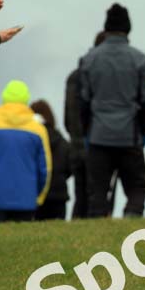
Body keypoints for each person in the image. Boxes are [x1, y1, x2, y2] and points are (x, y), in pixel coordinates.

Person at [80, 3, 145, 218]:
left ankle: (96, 231)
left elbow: (83, 100)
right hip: (129, 135)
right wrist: (144, 130)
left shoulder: (89, 60)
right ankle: (131, 218)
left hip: (98, 135)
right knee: (137, 187)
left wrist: (87, 130)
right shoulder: (140, 60)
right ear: (128, 28)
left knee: (97, 192)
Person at [65, 31, 106, 218]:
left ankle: (76, 232)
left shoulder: (73, 76)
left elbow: (67, 116)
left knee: (79, 197)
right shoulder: (100, 76)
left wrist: (75, 137)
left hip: (75, 144)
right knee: (97, 196)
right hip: (95, 144)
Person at [0, 81, 51, 222]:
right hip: (26, 200)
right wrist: (39, 197)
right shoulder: (38, 129)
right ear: (26, 99)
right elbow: (45, 169)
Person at [30, 100, 72, 220]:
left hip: (37, 195)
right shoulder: (62, 141)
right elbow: (70, 167)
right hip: (59, 195)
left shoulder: (31, 140)